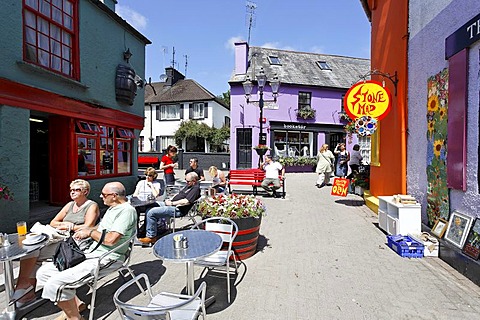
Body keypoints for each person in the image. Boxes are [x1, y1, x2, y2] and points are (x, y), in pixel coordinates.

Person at [36, 182, 137, 320]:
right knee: (44, 272)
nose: (101, 196)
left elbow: (110, 240)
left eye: (104, 194)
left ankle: (75, 318)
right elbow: (100, 229)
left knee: (56, 283)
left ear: (114, 196)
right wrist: (86, 230)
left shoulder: (126, 211)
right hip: (91, 252)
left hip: (109, 256)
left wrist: (89, 233)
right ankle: (75, 306)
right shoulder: (113, 208)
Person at [12, 179, 99, 307]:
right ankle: (25, 289)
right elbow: (53, 222)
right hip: (61, 238)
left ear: (85, 192)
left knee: (33, 254)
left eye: (76, 190)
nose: (73, 192)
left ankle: (24, 290)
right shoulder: (69, 205)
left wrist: (70, 226)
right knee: (32, 250)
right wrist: (66, 225)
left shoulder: (91, 205)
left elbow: (88, 227)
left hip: (75, 243)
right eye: (71, 190)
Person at [138, 172, 201, 244]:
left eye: (188, 181)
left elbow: (186, 201)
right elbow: (179, 194)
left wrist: (172, 203)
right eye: (186, 180)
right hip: (171, 204)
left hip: (177, 209)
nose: (186, 182)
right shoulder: (189, 186)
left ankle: (151, 237)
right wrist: (170, 199)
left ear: (194, 181)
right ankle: (145, 230)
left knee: (151, 213)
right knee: (151, 205)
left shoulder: (195, 189)